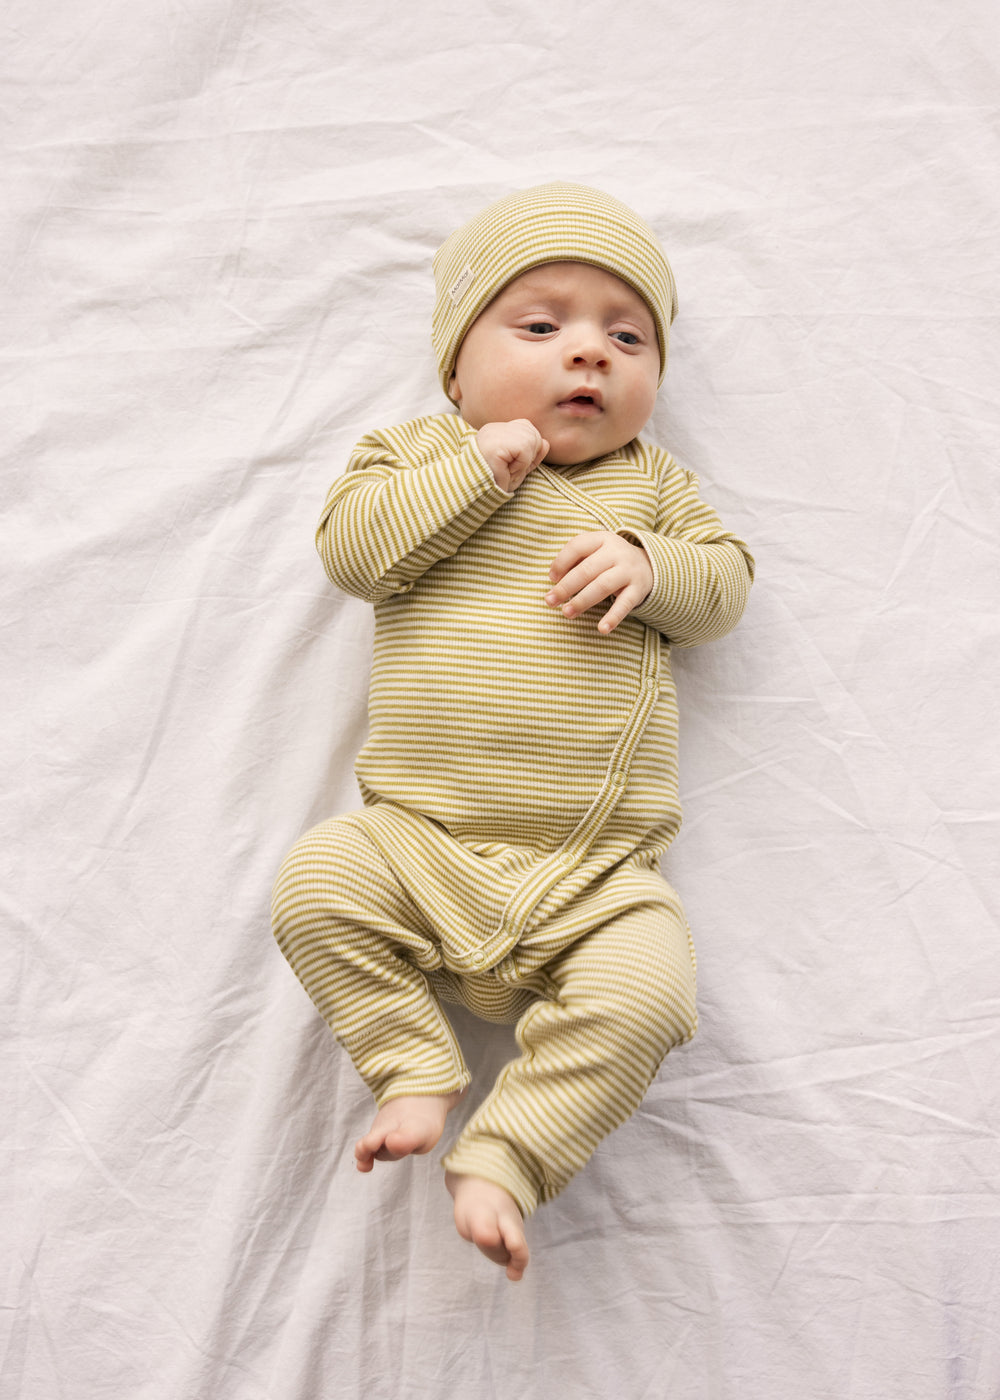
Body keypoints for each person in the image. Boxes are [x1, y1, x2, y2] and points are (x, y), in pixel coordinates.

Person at [272, 182, 754, 1282]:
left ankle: (508, 1151)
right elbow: (353, 554)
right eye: (541, 325)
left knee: (652, 988)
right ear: (456, 367)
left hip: (594, 873)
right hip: (419, 842)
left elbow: (725, 590)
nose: (588, 355)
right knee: (314, 882)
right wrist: (470, 472)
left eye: (625, 337)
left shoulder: (656, 489)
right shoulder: (409, 454)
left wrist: (649, 559)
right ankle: (412, 1066)